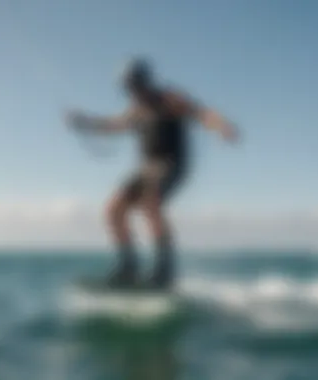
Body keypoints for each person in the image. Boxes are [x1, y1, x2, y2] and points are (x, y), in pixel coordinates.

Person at [66, 57, 239, 289]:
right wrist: (84, 123)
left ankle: (164, 270)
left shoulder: (169, 99)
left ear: (145, 82)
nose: (132, 92)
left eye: (135, 86)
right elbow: (112, 125)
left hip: (171, 165)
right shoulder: (136, 111)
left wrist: (222, 126)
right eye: (128, 88)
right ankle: (128, 268)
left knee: (150, 202)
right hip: (146, 170)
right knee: (113, 210)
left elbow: (201, 113)